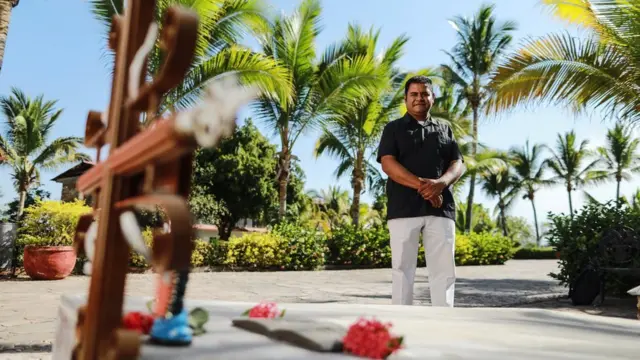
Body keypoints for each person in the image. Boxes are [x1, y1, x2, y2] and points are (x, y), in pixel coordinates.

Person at [376, 75, 465, 307]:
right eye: (414, 94)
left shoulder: (445, 130)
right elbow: (388, 164)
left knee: (444, 271)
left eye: (425, 93)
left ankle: (444, 322)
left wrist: (441, 184)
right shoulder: (393, 129)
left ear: (432, 98)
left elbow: (458, 164)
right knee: (402, 271)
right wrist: (426, 188)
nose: (419, 98)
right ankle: (402, 323)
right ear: (405, 99)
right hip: (403, 209)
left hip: (441, 211)